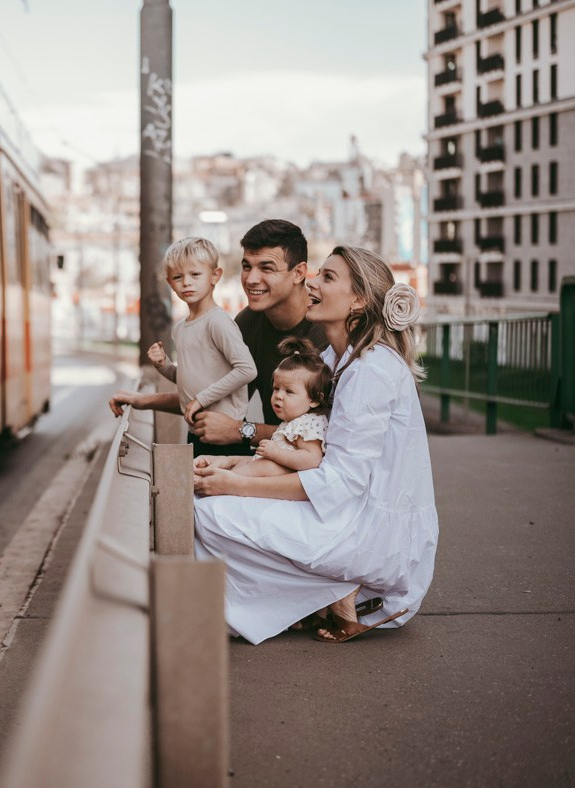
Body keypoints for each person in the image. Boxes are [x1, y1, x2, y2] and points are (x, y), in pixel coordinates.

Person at [192, 245, 438, 644]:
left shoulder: (371, 371)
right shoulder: (336, 358)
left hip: (373, 532)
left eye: (328, 277)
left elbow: (339, 483)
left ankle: (337, 592)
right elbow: (311, 443)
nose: (312, 283)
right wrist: (234, 467)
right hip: (352, 510)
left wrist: (234, 484)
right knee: (208, 503)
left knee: (211, 514)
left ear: (358, 300)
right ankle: (315, 598)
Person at [109, 220, 328, 455]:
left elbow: (328, 434)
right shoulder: (249, 321)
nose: (251, 279)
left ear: (298, 273)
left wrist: (241, 430)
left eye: (266, 268)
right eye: (247, 266)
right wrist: (143, 401)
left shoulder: (325, 331)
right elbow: (210, 391)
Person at [109, 238, 256, 456]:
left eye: (195, 275)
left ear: (215, 276)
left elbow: (247, 370)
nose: (186, 282)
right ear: (170, 283)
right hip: (196, 430)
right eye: (178, 277)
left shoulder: (217, 322)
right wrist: (164, 366)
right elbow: (191, 378)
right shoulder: (180, 328)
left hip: (225, 434)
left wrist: (201, 399)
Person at [228, 337, 331, 478]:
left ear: (314, 399)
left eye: (289, 391)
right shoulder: (294, 422)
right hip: (266, 472)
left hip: (279, 478)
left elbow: (312, 459)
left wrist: (277, 453)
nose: (278, 395)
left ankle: (226, 480)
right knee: (244, 463)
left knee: (260, 467)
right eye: (276, 388)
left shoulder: (309, 423)